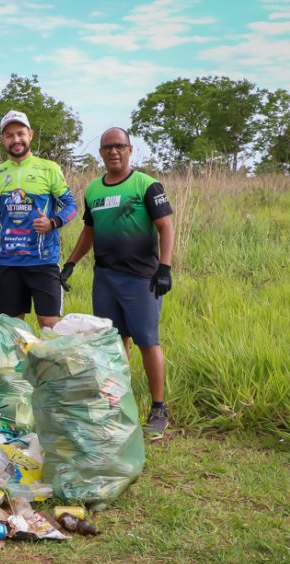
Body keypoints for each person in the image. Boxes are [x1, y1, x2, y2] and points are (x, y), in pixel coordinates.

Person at [61, 127, 175, 438]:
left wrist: (165, 267)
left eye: (119, 146)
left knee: (147, 341)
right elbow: (89, 231)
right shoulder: (94, 190)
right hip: (106, 277)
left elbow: (165, 226)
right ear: (101, 153)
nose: (114, 151)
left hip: (141, 279)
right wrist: (70, 262)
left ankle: (158, 408)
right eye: (108, 147)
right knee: (114, 343)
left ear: (130, 149)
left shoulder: (147, 185)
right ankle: (118, 405)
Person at [0, 110, 78, 329]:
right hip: (7, 264)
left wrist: (53, 223)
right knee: (11, 330)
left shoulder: (49, 169)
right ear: (3, 139)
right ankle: (17, 365)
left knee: (50, 326)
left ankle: (47, 364)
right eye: (9, 135)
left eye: (20, 133)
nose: (16, 140)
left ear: (30, 134)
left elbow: (71, 206)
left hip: (43, 262)